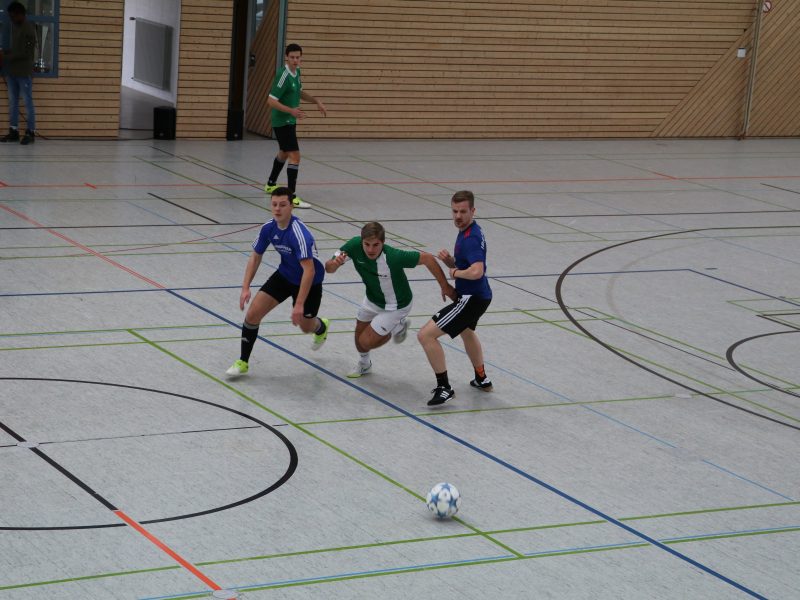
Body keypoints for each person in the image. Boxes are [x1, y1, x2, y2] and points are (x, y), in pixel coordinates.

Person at [326, 222, 455, 378]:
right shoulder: (353, 245)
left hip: (396, 305)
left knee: (366, 341)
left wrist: (445, 286)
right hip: (372, 299)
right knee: (358, 338)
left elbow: (427, 258)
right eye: (367, 244)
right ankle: (365, 364)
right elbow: (328, 268)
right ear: (361, 241)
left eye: (376, 245)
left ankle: (396, 326)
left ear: (383, 242)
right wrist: (334, 264)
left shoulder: (393, 257)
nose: (370, 249)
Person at [226, 186, 329, 377]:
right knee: (252, 315)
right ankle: (243, 361)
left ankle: (320, 326)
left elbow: (309, 271)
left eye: (282, 205)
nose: (277, 209)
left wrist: (299, 304)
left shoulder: (299, 234)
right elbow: (255, 256)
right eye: (274, 204)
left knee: (306, 327)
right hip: (285, 275)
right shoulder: (268, 228)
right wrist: (245, 287)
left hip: (309, 282)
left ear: (291, 206)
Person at [417, 191, 493, 406]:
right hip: (480, 295)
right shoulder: (469, 230)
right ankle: (481, 378)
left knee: (425, 335)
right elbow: (469, 264)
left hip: (471, 298)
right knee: (466, 331)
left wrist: (454, 273)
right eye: (455, 211)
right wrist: (451, 262)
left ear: (473, 211)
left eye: (463, 211)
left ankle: (444, 388)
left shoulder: (471, 238)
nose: (458, 216)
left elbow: (477, 271)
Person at [263, 43, 326, 210]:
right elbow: (271, 101)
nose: (295, 60)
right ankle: (291, 197)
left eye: (298, 57)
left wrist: (316, 101)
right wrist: (291, 111)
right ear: (287, 57)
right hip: (281, 122)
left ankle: (270, 184)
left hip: (290, 121)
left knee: (284, 153)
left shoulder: (297, 72)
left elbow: (299, 92)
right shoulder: (282, 75)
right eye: (292, 57)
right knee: (295, 156)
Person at [1, 2, 37, 145]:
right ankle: (14, 131)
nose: (11, 19)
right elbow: (16, 49)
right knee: (13, 102)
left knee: (27, 102)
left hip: (24, 72)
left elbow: (26, 53)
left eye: (13, 16)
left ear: (21, 14)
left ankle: (30, 132)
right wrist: (5, 52)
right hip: (12, 72)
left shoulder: (29, 29)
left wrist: (5, 57)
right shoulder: (16, 27)